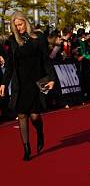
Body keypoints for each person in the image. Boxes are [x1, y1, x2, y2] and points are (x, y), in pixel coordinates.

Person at [0, 11, 55, 160]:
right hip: (20, 83)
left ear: (26, 22)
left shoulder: (38, 37)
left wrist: (51, 78)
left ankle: (40, 132)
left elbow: (46, 60)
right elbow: (10, 65)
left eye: (20, 24)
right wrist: (4, 83)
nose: (18, 28)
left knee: (35, 116)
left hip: (38, 81)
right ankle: (26, 147)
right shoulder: (13, 40)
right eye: (15, 25)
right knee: (22, 115)